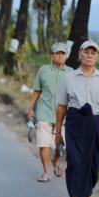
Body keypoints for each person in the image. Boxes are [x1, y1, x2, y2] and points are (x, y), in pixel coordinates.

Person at [54, 40, 99, 197]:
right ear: (79, 55)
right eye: (86, 52)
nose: (90, 55)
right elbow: (61, 107)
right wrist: (58, 132)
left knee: (93, 163)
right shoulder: (69, 78)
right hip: (74, 123)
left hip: (95, 124)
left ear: (97, 57)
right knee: (74, 162)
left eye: (93, 53)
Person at [28, 42, 73, 182]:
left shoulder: (72, 73)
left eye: (62, 53)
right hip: (44, 112)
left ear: (66, 56)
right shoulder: (43, 70)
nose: (60, 56)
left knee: (59, 147)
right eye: (57, 53)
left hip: (63, 116)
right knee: (43, 143)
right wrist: (31, 108)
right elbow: (37, 90)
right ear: (52, 55)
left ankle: (55, 161)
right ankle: (46, 172)